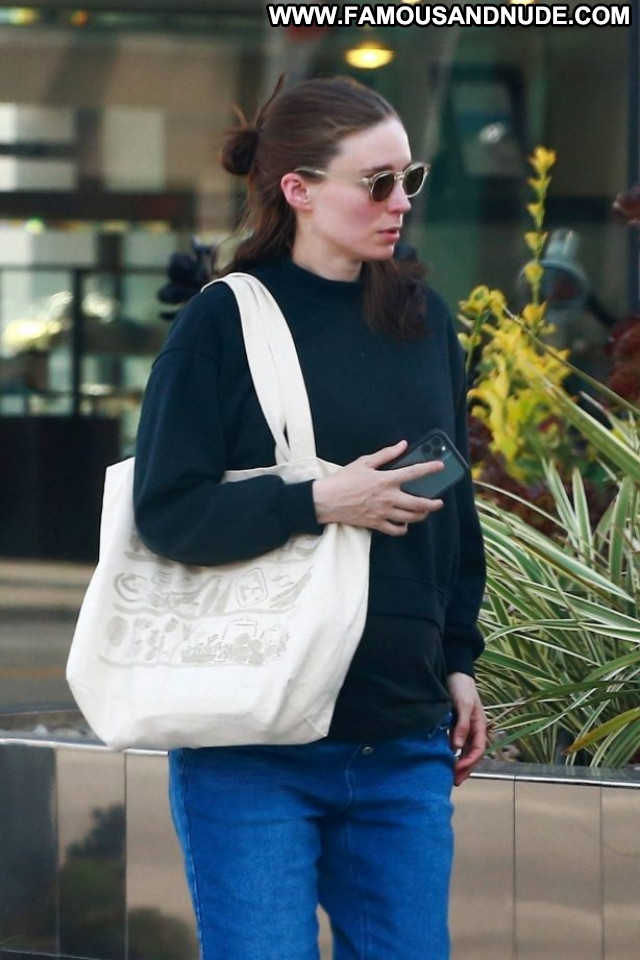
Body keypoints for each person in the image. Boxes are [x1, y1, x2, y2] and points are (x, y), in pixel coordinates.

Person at [133, 75, 487, 960]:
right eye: (377, 182)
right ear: (298, 189)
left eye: (410, 179)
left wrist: (458, 660)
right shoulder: (222, 324)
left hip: (402, 736)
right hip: (253, 739)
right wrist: (320, 499)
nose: (401, 202)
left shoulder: (424, 321)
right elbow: (167, 512)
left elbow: (455, 511)